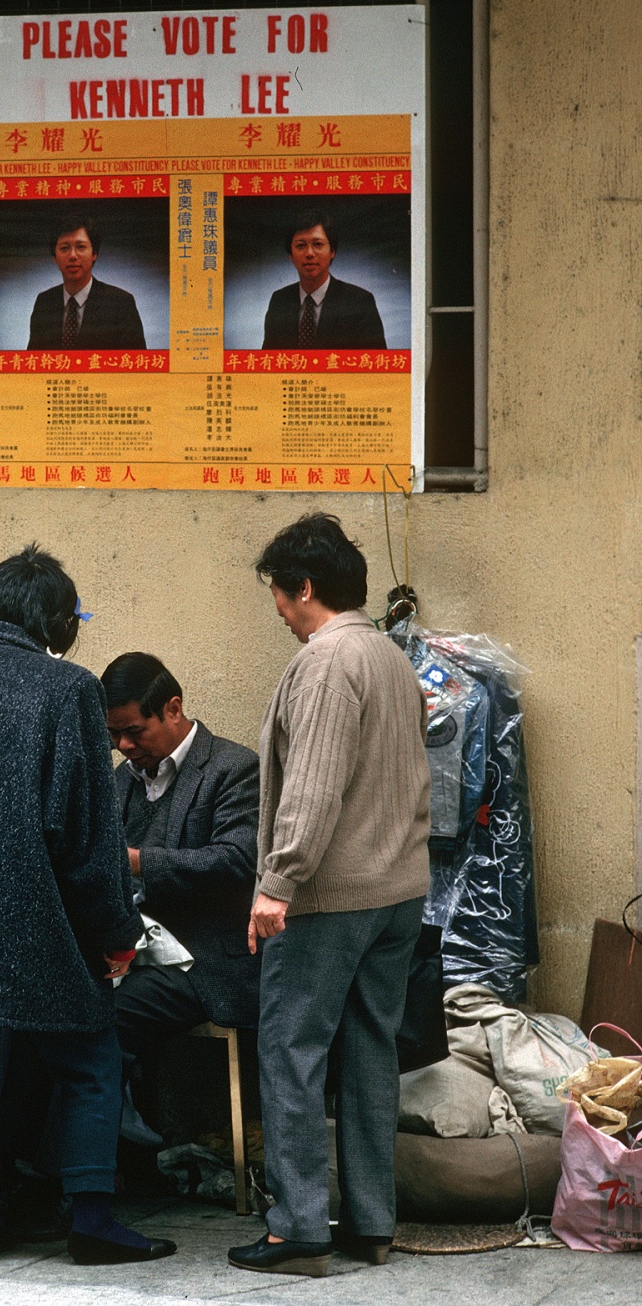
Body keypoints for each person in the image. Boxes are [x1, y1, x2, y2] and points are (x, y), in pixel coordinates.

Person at [0, 545, 175, 1266]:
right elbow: (85, 829)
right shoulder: (67, 689)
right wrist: (117, 929)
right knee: (90, 1056)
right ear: (56, 620)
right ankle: (91, 1219)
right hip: (36, 906)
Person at [228, 513, 430, 1278]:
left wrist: (276, 884)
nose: (278, 611)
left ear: (304, 588)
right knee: (372, 1052)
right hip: (398, 891)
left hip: (328, 895)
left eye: (278, 596)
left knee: (290, 1048)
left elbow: (311, 787)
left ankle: (298, 1225)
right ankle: (371, 1222)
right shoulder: (387, 657)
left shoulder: (325, 662)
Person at [101, 653, 260, 1091]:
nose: (124, 747)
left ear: (174, 708)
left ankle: (125, 1151)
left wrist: (135, 861)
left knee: (104, 1022)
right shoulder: (121, 780)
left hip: (206, 959)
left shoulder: (233, 767)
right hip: (136, 952)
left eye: (134, 732)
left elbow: (235, 862)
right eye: (114, 734)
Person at [261, 216, 386, 351]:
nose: (309, 253)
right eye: (300, 246)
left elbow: (376, 366)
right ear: (291, 254)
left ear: (332, 251)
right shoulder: (279, 301)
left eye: (318, 244)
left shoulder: (360, 302)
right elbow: (268, 363)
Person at [27, 213, 146, 350]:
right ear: (55, 257)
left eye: (81, 247)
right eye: (64, 248)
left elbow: (137, 366)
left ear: (94, 254)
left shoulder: (121, 304)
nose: (72, 255)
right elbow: (33, 364)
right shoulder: (44, 303)